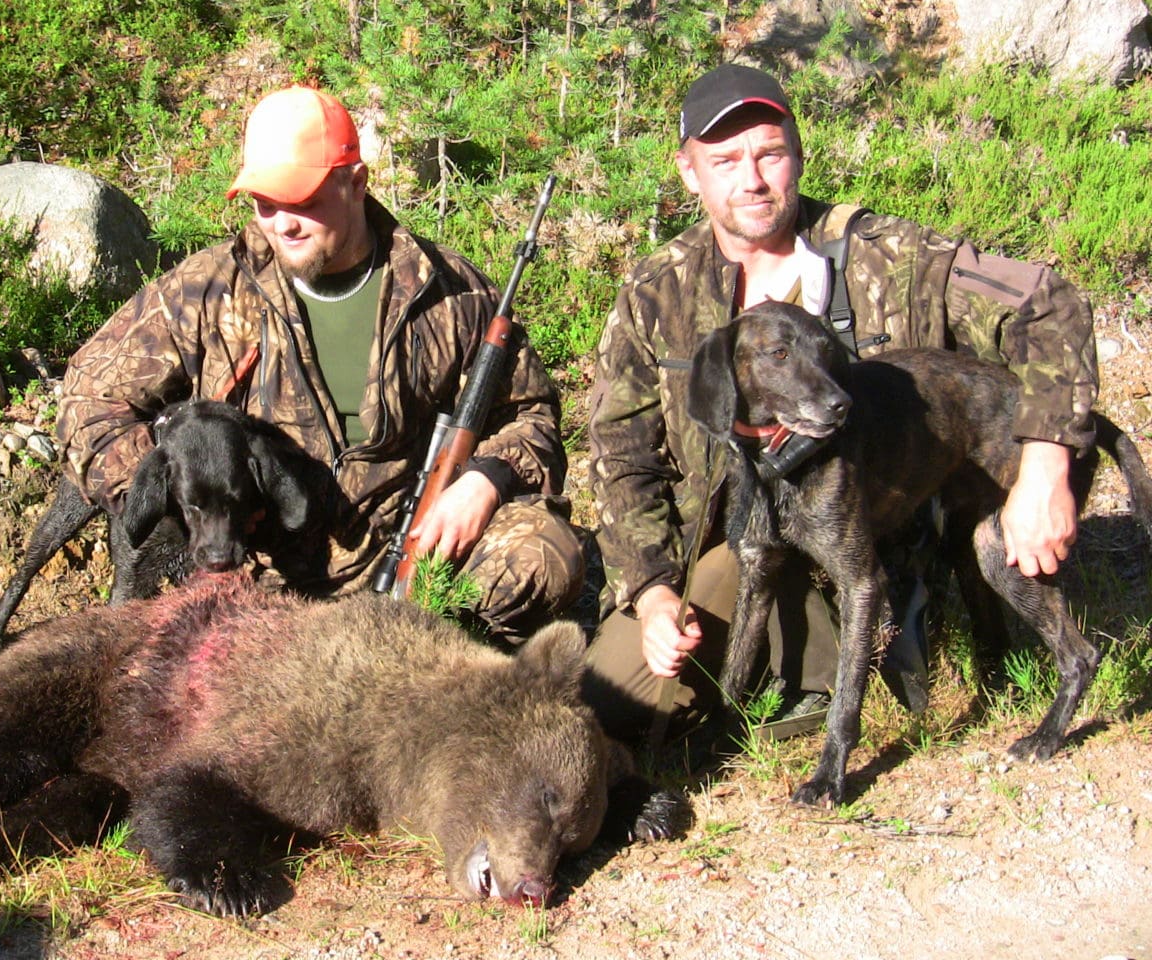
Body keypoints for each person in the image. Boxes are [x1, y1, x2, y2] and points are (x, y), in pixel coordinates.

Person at [583, 63, 1098, 741]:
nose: (753, 179)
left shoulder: (890, 256)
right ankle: (787, 671)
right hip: (733, 550)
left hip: (868, 537)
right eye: (726, 160)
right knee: (612, 708)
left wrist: (1045, 465)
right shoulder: (656, 292)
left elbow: (1046, 306)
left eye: (770, 153)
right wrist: (651, 592)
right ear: (689, 172)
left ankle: (896, 623)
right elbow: (620, 456)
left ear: (797, 154)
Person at [56, 85, 583, 639]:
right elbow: (87, 402)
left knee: (540, 557)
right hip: (250, 573)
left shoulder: (449, 293)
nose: (282, 223)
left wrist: (484, 482)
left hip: (406, 555)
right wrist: (178, 489)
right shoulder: (205, 291)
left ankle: (452, 664)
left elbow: (532, 415)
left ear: (356, 183)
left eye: (303, 201)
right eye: (265, 203)